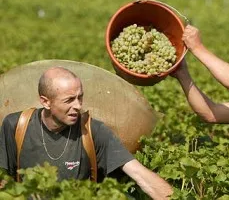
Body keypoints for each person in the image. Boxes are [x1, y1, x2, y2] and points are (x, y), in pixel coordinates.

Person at [0, 66, 173, 199]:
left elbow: (139, 174)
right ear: (45, 102)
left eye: (80, 97)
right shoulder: (16, 126)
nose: (78, 105)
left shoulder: (93, 130)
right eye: (69, 100)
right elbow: (3, 181)